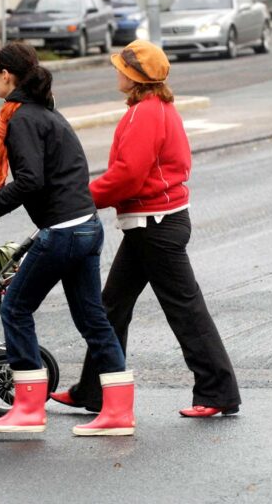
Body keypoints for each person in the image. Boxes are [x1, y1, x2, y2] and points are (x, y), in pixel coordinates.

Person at [50, 40, 242, 418]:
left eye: (121, 67)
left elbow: (128, 175)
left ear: (135, 76)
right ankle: (95, 391)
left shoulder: (145, 114)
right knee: (112, 308)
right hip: (154, 224)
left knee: (185, 310)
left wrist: (82, 197)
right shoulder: (161, 109)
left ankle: (218, 392)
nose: (117, 71)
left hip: (155, 226)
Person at [0, 41, 135, 436]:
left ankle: (27, 408)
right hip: (86, 227)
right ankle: (118, 412)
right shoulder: (48, 114)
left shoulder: (23, 119)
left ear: (7, 75)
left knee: (14, 309)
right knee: (93, 319)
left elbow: (29, 182)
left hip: (62, 232)